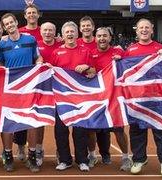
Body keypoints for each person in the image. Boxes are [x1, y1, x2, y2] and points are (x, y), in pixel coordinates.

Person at [124, 18, 162, 176]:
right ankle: (139, 159)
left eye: (147, 27)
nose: (144, 30)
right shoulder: (130, 50)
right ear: (136, 31)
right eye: (141, 28)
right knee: (137, 131)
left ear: (152, 30)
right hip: (137, 100)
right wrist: (118, 60)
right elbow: (124, 73)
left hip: (158, 99)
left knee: (161, 130)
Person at [0, 13, 43, 173]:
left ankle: (31, 156)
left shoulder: (30, 40)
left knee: (32, 122)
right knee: (8, 123)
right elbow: (0, 62)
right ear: (4, 27)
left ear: (17, 23)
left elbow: (38, 58)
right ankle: (8, 156)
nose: (9, 25)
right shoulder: (2, 44)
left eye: (11, 22)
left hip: (29, 87)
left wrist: (39, 66)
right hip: (10, 89)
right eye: (6, 24)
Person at [51, 21, 95, 172]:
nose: (70, 34)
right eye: (67, 32)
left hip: (80, 98)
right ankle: (65, 160)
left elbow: (93, 73)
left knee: (80, 131)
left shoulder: (85, 51)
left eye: (72, 32)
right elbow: (50, 73)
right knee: (60, 131)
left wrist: (88, 67)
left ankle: (82, 160)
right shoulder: (56, 52)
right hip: (61, 98)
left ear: (77, 34)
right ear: (62, 35)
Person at [90, 27, 132, 171]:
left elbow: (131, 66)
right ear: (95, 38)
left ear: (110, 37)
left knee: (119, 130)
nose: (102, 38)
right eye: (99, 36)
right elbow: (89, 71)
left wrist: (122, 59)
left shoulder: (119, 52)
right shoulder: (91, 53)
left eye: (105, 36)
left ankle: (126, 157)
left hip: (114, 98)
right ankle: (92, 155)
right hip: (98, 98)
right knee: (91, 128)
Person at [78, 15, 111, 168]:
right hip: (84, 91)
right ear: (80, 28)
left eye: (88, 25)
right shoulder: (76, 43)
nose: (86, 28)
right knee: (87, 126)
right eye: (83, 26)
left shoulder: (100, 43)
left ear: (92, 27)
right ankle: (90, 154)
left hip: (104, 90)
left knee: (104, 127)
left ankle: (105, 154)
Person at [35, 22, 62, 166]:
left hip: (59, 88)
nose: (47, 32)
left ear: (55, 32)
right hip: (40, 88)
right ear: (41, 32)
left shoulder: (62, 44)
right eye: (45, 30)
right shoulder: (35, 45)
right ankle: (38, 150)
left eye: (51, 30)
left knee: (60, 123)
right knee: (39, 120)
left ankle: (60, 151)